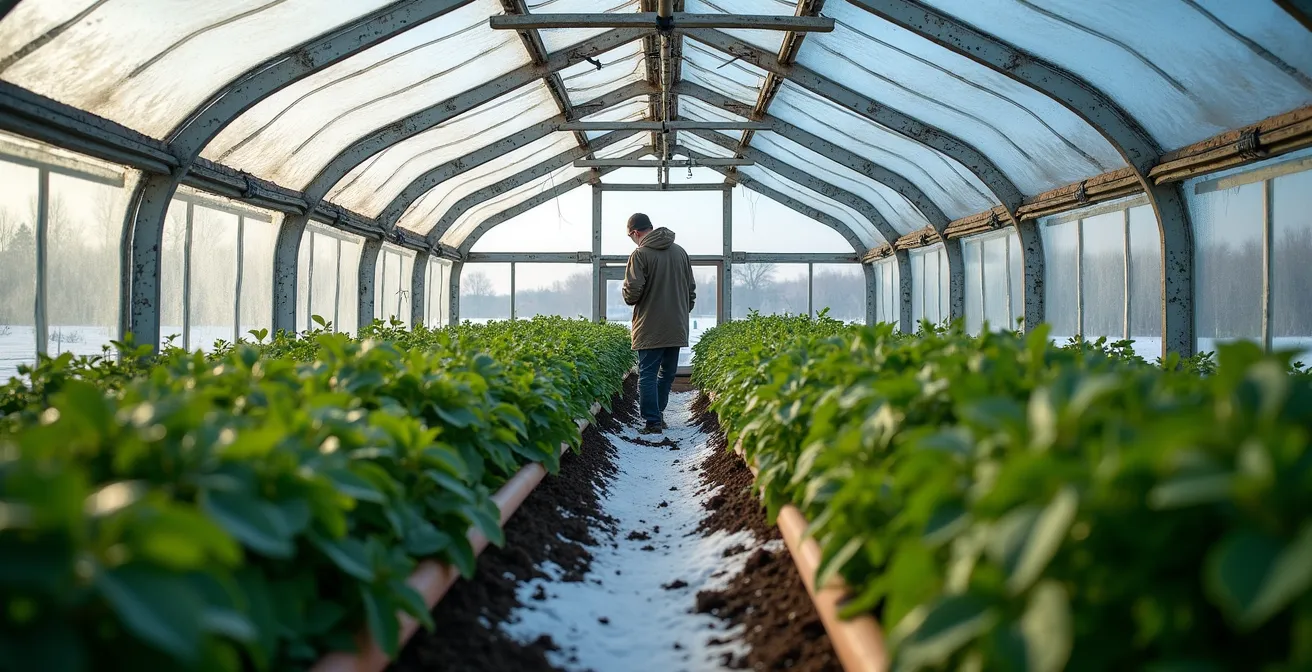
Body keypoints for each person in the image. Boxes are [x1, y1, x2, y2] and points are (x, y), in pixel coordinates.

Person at [621, 212, 695, 435]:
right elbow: (690, 290)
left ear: (635, 232)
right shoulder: (680, 252)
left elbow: (632, 293)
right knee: (667, 374)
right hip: (676, 326)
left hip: (650, 326)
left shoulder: (640, 254)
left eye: (631, 237)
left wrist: (627, 294)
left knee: (647, 374)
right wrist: (680, 312)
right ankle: (658, 416)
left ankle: (652, 422)